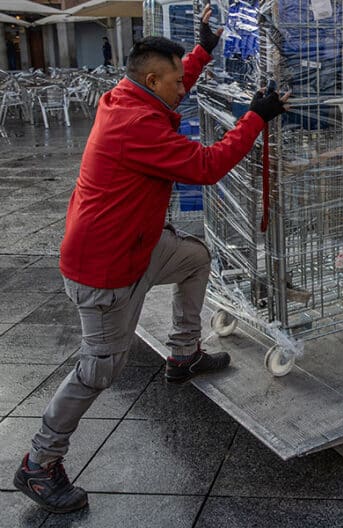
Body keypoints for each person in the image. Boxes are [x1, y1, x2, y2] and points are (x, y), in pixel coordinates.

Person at [13, 4, 290, 514]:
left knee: (194, 258)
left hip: (137, 245)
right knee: (99, 369)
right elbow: (206, 166)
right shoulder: (135, 126)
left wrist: (205, 48)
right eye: (176, 82)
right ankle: (38, 463)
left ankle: (182, 355)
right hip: (105, 267)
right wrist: (256, 117)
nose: (183, 90)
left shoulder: (131, 96)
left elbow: (175, 74)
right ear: (152, 80)